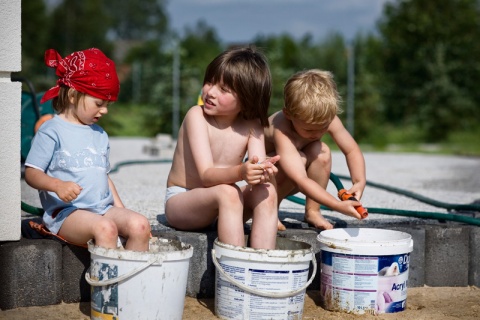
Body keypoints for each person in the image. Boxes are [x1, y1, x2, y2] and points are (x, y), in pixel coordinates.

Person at [24, 48, 150, 251]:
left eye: (107, 104)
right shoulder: (52, 130)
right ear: (73, 95)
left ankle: (133, 281)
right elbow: (31, 173)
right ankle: (109, 283)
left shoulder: (99, 134)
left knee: (140, 224)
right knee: (106, 229)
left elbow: (104, 176)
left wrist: (122, 211)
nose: (105, 110)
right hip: (67, 214)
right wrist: (57, 185)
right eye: (99, 103)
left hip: (103, 209)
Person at [165, 46, 280, 249]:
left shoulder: (252, 125)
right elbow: (206, 176)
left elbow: (256, 163)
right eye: (209, 82)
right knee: (228, 192)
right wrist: (242, 172)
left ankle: (263, 264)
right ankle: (234, 270)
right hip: (183, 202)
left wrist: (262, 171)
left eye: (224, 90)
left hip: (222, 205)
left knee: (267, 190)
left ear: (247, 99)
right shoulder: (197, 116)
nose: (210, 92)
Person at [264, 69, 366, 230]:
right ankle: (269, 211)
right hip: (266, 180)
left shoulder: (326, 117)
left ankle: (313, 210)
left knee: (322, 150)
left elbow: (351, 150)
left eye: (323, 127)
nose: (317, 133)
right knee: (300, 158)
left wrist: (359, 181)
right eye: (309, 130)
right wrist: (337, 205)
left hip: (299, 174)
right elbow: (300, 180)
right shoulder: (282, 129)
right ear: (288, 114)